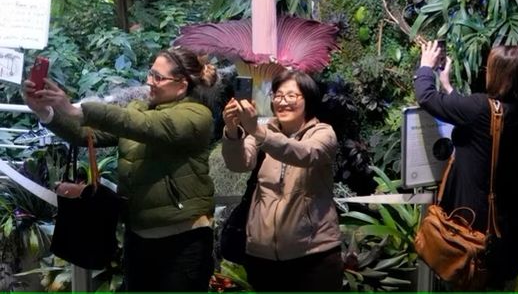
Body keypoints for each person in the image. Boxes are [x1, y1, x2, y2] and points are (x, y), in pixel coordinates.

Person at [23, 46, 218, 292]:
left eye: (158, 77)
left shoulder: (196, 116)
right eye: (150, 73)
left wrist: (74, 108)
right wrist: (45, 111)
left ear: (181, 85)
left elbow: (146, 126)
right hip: (138, 238)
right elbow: (87, 134)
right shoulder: (139, 108)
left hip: (183, 242)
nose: (150, 82)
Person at [414, 40, 518, 289]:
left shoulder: (479, 109)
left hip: (473, 224)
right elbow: (486, 122)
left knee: (468, 280)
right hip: (507, 221)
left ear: (498, 75)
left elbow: (426, 96)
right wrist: (449, 88)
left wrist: (426, 67)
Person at [221, 69, 342, 292]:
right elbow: (239, 163)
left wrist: (257, 131)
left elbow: (303, 153)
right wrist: (232, 130)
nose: (282, 102)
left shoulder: (323, 133)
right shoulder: (264, 131)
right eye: (277, 95)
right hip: (262, 255)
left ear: (308, 99)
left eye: (291, 96)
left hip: (313, 254)